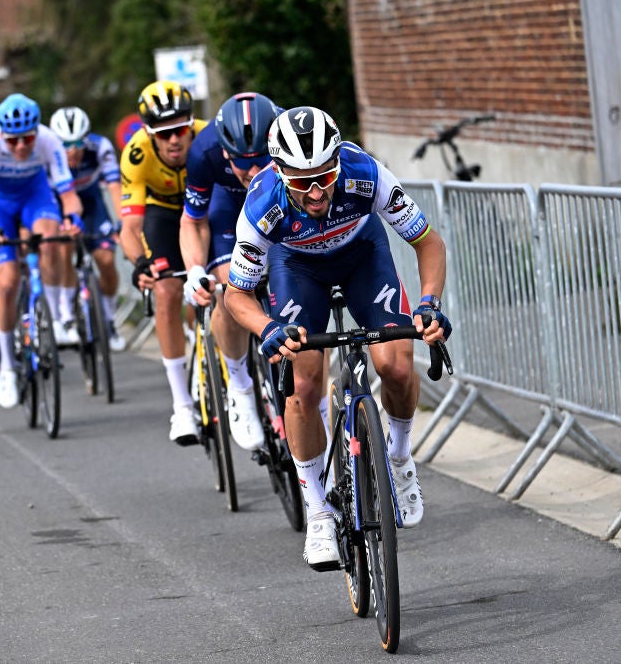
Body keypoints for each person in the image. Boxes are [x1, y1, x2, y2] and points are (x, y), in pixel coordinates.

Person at [223, 106, 451, 571]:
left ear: (336, 163)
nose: (315, 190)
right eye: (301, 179)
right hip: (296, 268)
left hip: (363, 256)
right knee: (303, 388)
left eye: (324, 176)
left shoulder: (365, 172)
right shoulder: (263, 203)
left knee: (397, 366)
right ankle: (317, 511)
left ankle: (401, 458)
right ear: (281, 172)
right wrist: (267, 328)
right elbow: (237, 295)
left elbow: (428, 243)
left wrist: (428, 304)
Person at [0, 93, 83, 409]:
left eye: (27, 138)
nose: (21, 147)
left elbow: (69, 195)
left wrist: (73, 218)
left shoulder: (48, 140)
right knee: (6, 282)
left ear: (36, 131)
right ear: (3, 134)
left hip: (36, 196)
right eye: (14, 141)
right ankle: (6, 366)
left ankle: (56, 317)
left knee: (51, 236)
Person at [180, 92, 279, 452]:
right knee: (229, 290)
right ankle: (239, 386)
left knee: (291, 284)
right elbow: (193, 221)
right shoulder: (203, 151)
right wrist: (194, 270)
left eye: (262, 160)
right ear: (225, 153)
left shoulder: (285, 131)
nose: (253, 171)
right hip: (228, 207)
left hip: (278, 201)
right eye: (242, 163)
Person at [118, 80, 208, 445]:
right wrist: (140, 263)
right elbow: (130, 227)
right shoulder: (136, 154)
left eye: (180, 129)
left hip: (204, 211)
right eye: (165, 133)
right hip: (163, 215)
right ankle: (182, 406)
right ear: (149, 133)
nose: (175, 140)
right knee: (167, 289)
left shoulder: (208, 139)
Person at [48, 105, 127, 352]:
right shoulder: (47, 152)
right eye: (66, 145)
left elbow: (115, 187)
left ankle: (109, 319)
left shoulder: (100, 147)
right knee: (64, 247)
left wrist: (123, 223)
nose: (72, 151)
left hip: (92, 203)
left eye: (78, 144)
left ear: (87, 139)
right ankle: (65, 313)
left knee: (105, 259)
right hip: (59, 203)